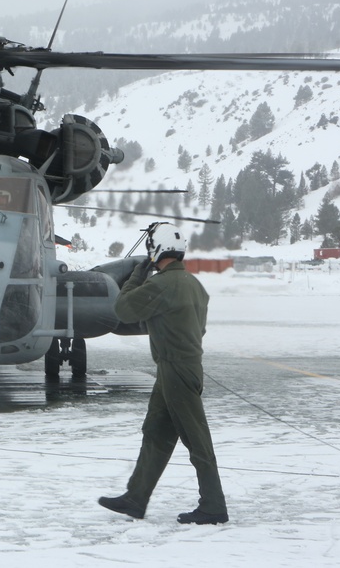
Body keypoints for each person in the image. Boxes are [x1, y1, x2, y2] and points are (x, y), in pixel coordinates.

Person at [98, 222, 228, 525]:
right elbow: (199, 328)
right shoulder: (195, 285)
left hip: (175, 369)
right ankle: (135, 498)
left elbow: (123, 310)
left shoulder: (162, 285)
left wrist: (135, 277)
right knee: (155, 432)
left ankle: (213, 506)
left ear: (156, 250)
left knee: (197, 440)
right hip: (181, 367)